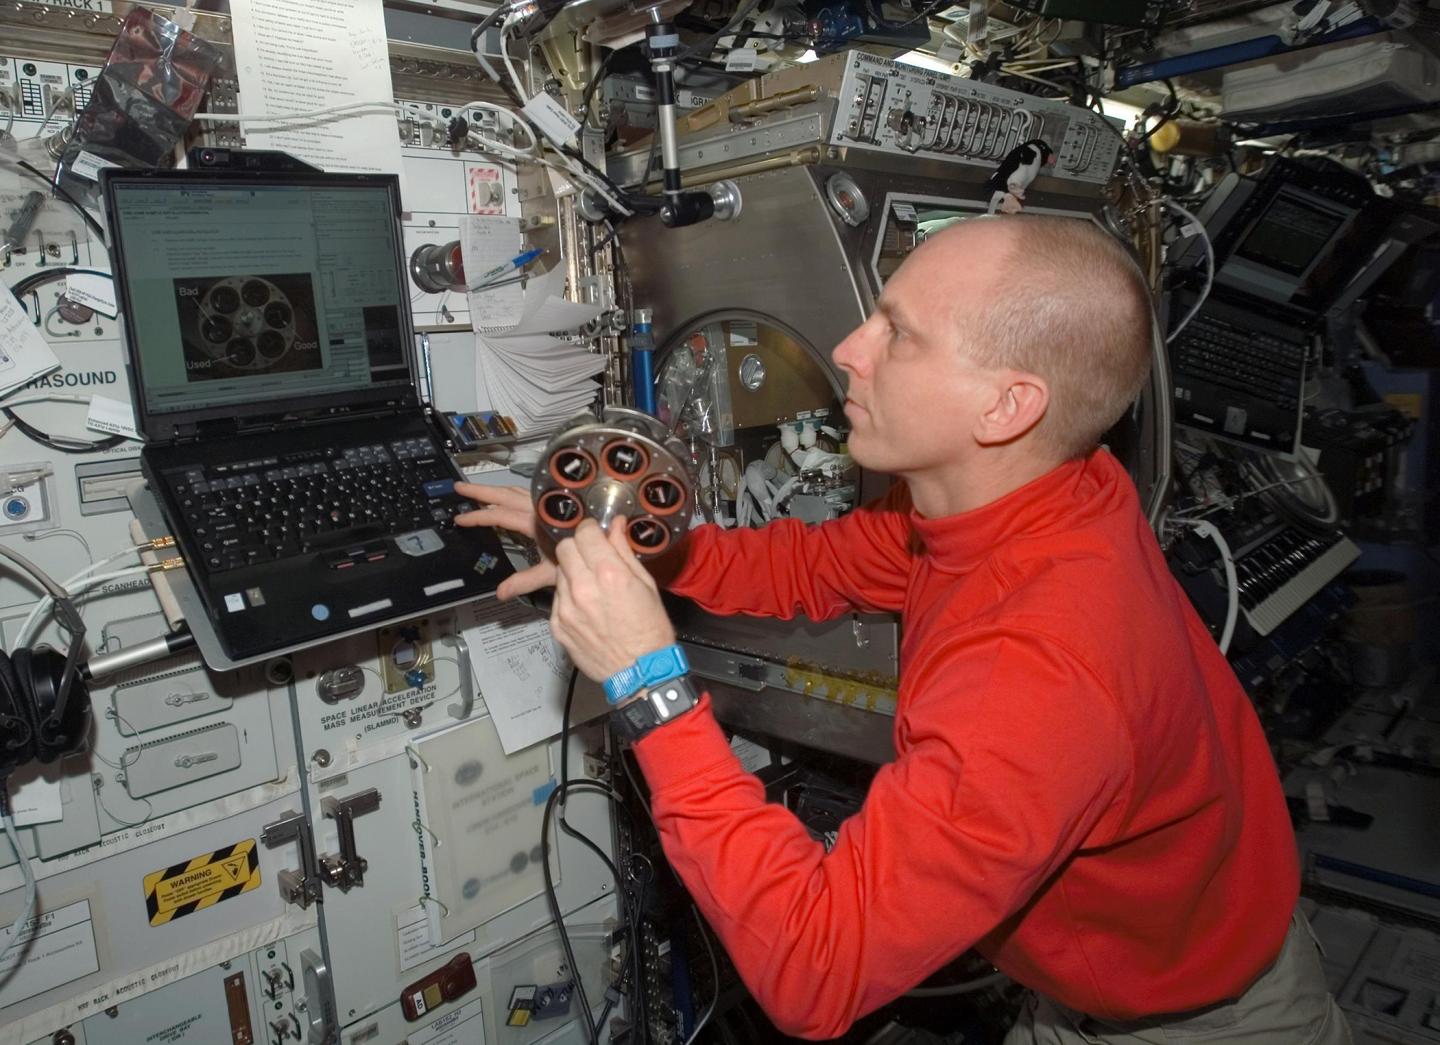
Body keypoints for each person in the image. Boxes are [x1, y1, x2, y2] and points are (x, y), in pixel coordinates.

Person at [456, 215, 1350, 1044]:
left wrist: (646, 679)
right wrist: (623, 539)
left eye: (899, 333)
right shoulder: (1033, 495)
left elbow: (816, 966)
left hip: (1190, 1017)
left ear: (1007, 407)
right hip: (1125, 958)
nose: (850, 350)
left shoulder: (1041, 669)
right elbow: (810, 566)